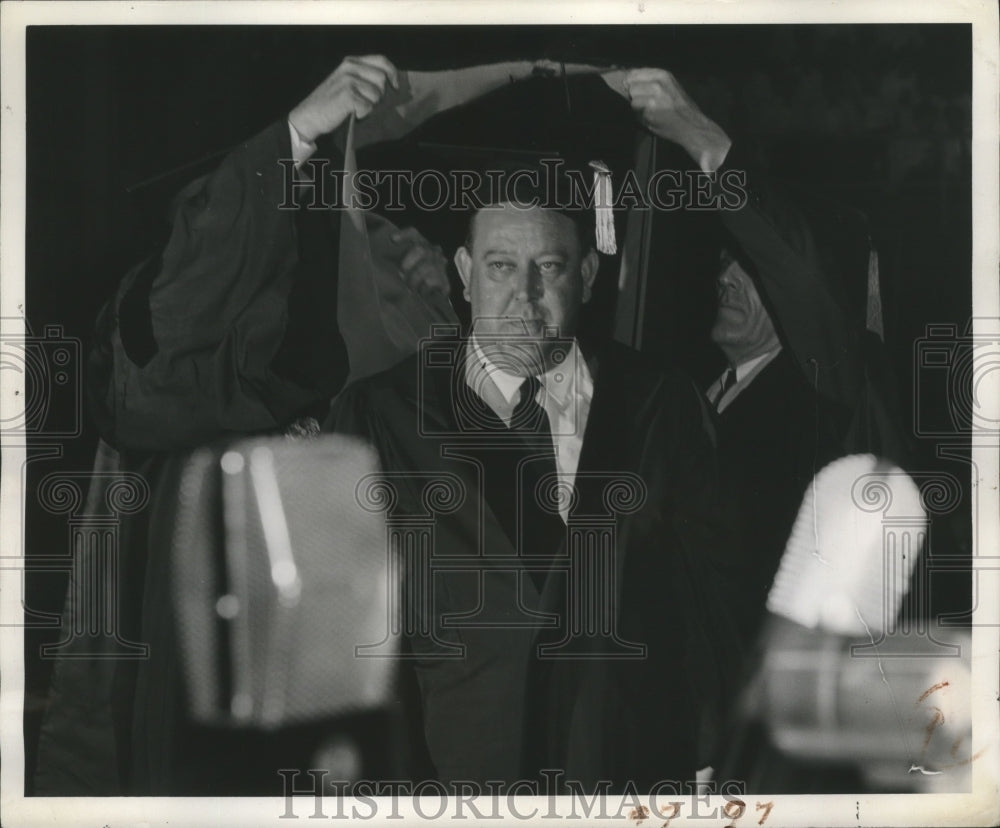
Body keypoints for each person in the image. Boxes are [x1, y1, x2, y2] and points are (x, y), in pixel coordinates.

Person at [34, 55, 452, 795]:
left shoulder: (364, 292)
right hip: (223, 658)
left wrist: (438, 304)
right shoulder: (160, 322)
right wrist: (293, 135)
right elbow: (185, 312)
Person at [325, 166, 742, 791]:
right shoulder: (384, 413)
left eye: (548, 266)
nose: (524, 292)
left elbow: (708, 589)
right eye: (499, 266)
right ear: (465, 274)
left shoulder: (658, 401)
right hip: (457, 773)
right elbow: (352, 623)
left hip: (623, 766)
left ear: (588, 276)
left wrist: (712, 748)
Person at [624, 67, 908, 642]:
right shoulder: (691, 390)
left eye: (752, 269)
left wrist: (703, 140)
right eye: (726, 262)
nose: (727, 279)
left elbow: (803, 279)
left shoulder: (828, 391)